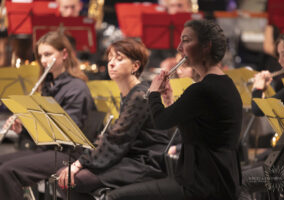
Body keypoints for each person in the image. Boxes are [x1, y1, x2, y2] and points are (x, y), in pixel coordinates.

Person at [106, 19, 243, 200]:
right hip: (221, 178)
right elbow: (193, 130)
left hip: (202, 184)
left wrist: (153, 92)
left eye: (186, 40)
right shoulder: (224, 83)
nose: (179, 47)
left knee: (115, 197)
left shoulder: (202, 89)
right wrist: (169, 101)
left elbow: (161, 122)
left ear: (206, 47)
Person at [56, 38, 170, 200]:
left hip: (146, 162)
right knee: (65, 177)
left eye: (119, 59)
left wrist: (78, 164)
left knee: (73, 180)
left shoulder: (140, 95)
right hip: (130, 157)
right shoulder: (131, 93)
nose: (111, 63)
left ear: (135, 66)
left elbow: (116, 139)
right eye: (110, 59)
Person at [0, 30, 96, 199]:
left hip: (68, 154)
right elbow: (44, 134)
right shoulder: (49, 85)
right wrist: (23, 128)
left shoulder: (77, 88)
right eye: (41, 55)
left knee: (8, 171)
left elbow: (67, 134)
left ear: (64, 54)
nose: (43, 60)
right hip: (48, 150)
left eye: (48, 54)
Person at [239, 29, 284, 199]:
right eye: (278, 55)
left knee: (242, 180)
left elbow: (258, 110)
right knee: (244, 172)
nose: (279, 60)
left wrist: (258, 88)